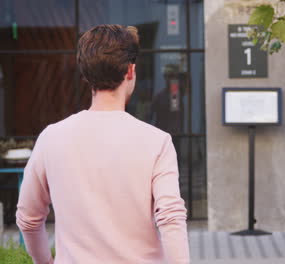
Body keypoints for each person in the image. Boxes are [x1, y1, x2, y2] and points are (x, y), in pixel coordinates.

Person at [16, 25, 190, 264]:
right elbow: (171, 220)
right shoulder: (156, 142)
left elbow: (28, 217)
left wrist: (44, 261)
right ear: (130, 71)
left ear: (86, 75)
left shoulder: (51, 138)